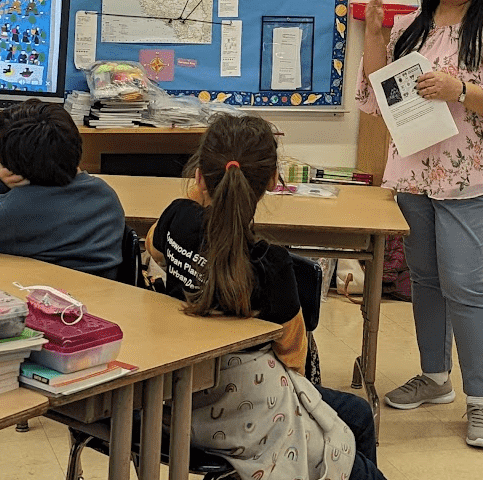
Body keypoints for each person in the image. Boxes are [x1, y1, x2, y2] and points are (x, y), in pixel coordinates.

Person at [356, 0, 483, 450]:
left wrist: (458, 88)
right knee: (425, 279)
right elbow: (377, 98)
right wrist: (372, 38)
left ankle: (481, 401)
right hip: (414, 171)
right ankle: (434, 377)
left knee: (465, 285)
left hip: (468, 175)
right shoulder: (414, 25)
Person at [146, 113, 385, 480]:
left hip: (178, 396)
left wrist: (198, 195)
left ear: (198, 176)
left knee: (355, 415)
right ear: (273, 180)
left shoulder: (179, 218)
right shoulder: (269, 263)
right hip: (248, 412)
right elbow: (294, 355)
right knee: (352, 440)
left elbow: (154, 249)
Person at [0, 98, 125, 279]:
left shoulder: (12, 210)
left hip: (41, 305)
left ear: (13, 168)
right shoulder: (105, 195)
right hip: (101, 305)